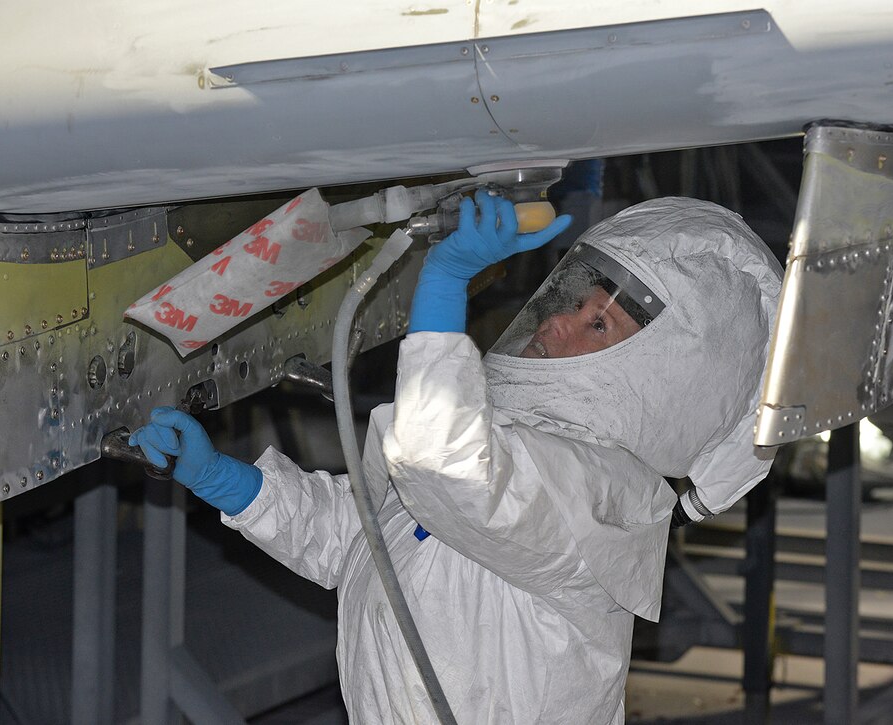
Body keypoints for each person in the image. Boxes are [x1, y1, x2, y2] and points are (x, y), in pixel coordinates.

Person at [130, 190, 782, 723]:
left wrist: (443, 281)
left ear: (661, 378)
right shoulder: (518, 448)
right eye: (577, 300)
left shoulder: (605, 499)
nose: (557, 323)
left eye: (599, 324)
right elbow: (368, 544)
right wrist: (224, 480)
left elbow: (444, 469)